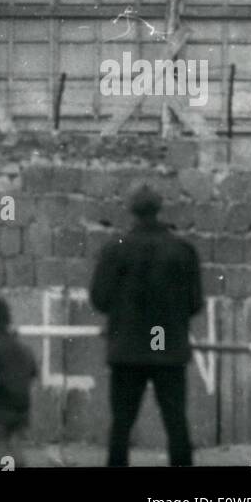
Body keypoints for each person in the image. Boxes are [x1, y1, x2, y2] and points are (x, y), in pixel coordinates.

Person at [90, 182, 203, 468]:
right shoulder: (182, 250)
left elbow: (100, 299)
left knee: (121, 425)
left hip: (127, 348)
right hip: (168, 348)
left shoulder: (115, 249)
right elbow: (195, 303)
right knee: (176, 422)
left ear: (131, 211)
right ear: (159, 209)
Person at [0, 295, 38, 468]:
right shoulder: (23, 348)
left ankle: (6, 468)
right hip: (21, 406)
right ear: (8, 319)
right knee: (16, 442)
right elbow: (33, 371)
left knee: (1, 444)